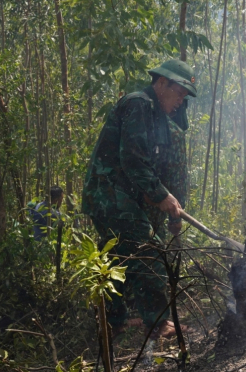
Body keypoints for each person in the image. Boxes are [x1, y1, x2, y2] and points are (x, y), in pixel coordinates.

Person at [81, 59, 196, 339]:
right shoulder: (139, 103)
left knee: (117, 255)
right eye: (178, 92)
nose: (180, 101)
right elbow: (132, 159)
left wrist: (170, 205)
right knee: (147, 249)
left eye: (184, 96)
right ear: (160, 83)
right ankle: (158, 323)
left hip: (120, 196)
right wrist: (161, 196)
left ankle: (112, 321)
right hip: (108, 192)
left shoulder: (159, 118)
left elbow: (159, 169)